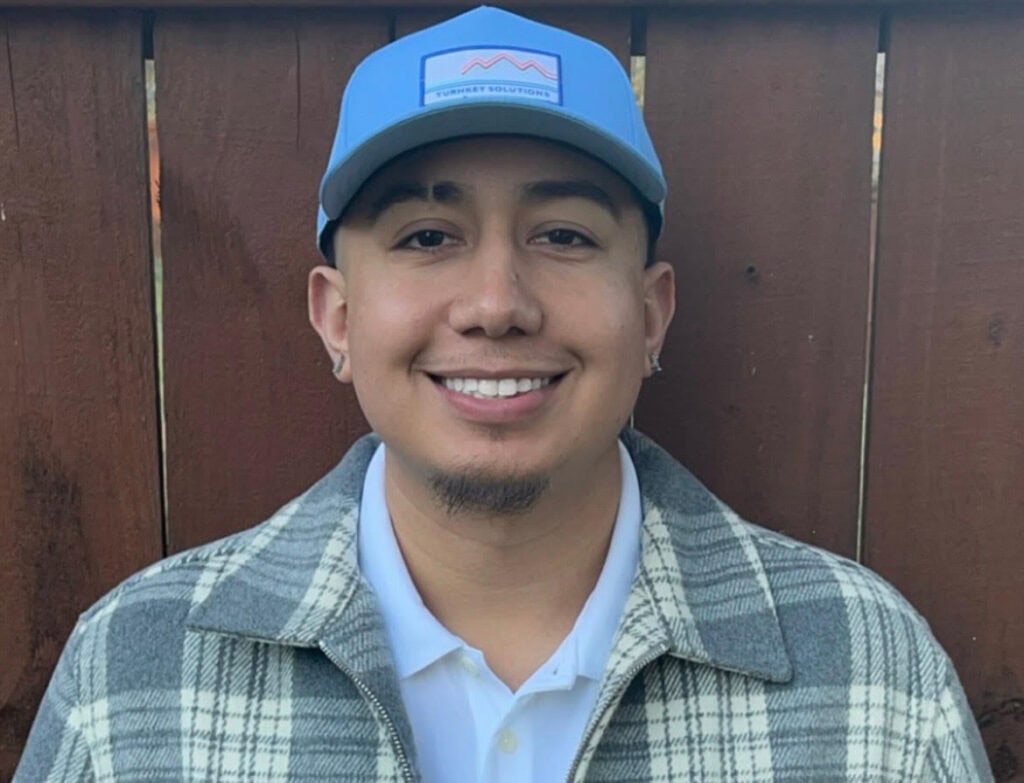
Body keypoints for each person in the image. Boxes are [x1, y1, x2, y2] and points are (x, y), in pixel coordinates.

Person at [16, 6, 992, 782]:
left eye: (563, 235)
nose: (496, 305)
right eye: (426, 238)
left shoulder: (869, 677)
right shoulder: (136, 676)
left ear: (650, 315)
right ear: (338, 318)